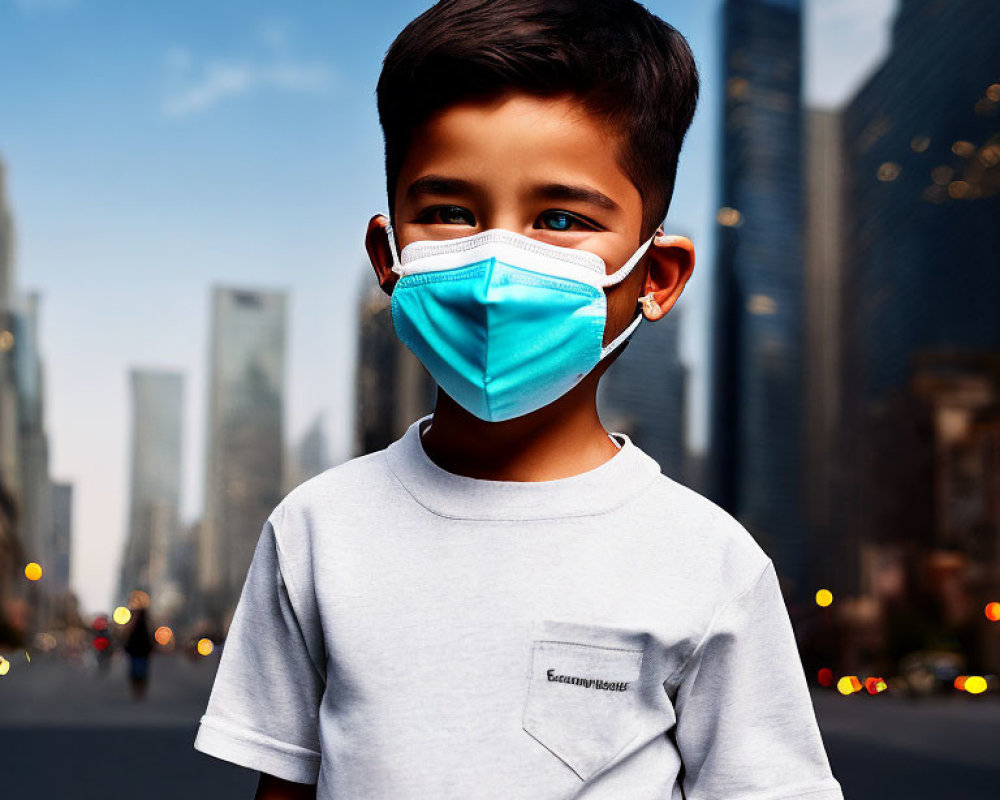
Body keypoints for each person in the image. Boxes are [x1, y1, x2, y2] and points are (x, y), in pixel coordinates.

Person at [193, 2, 845, 798]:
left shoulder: (711, 562)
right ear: (388, 256)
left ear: (657, 278)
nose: (499, 264)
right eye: (450, 213)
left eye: (562, 218)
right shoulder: (315, 530)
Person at [124, 606, 153, 700]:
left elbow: (129, 641)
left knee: (135, 673)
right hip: (143, 654)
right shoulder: (147, 628)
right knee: (142, 673)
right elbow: (150, 642)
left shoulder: (134, 627)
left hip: (135, 654)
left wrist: (128, 649)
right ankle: (140, 691)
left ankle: (136, 691)